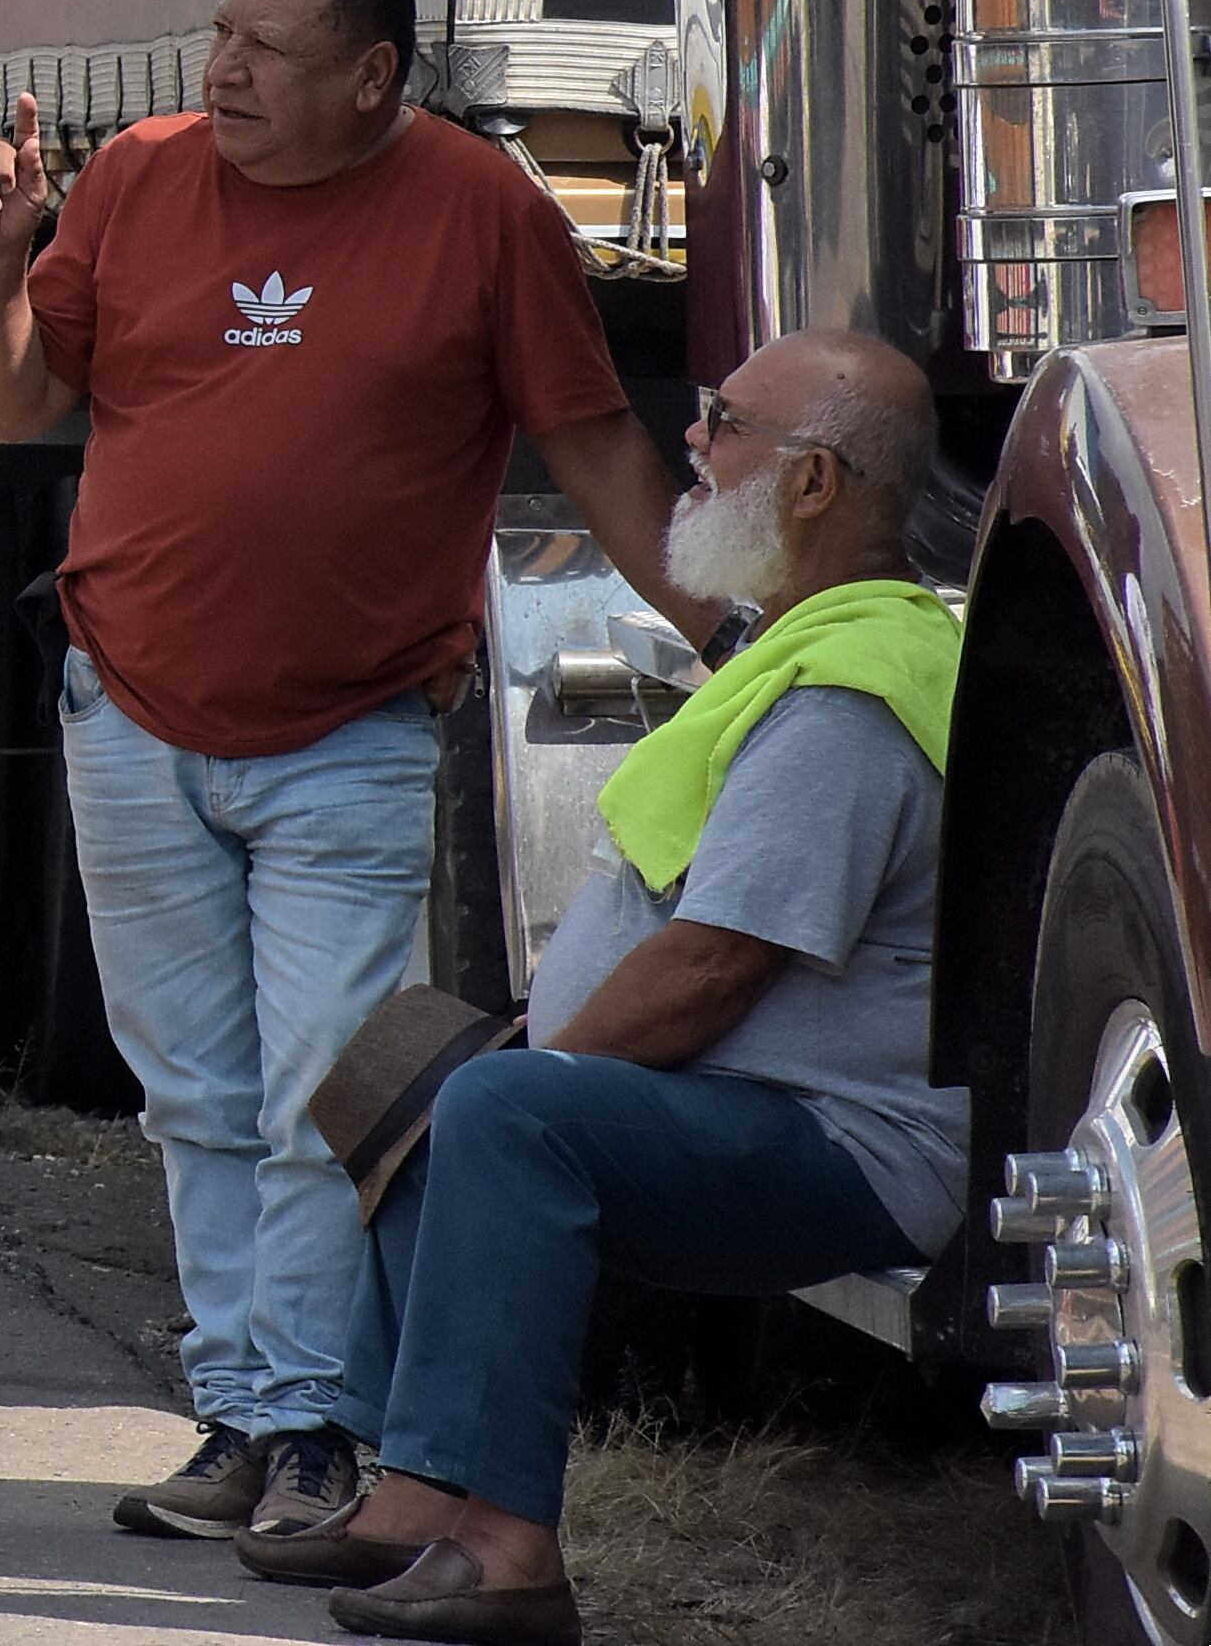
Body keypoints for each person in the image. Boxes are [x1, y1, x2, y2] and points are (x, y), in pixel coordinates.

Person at [0, 0, 708, 1546]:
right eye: (217, 35)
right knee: (190, 1094)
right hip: (127, 709)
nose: (219, 72)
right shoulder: (141, 177)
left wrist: (746, 636)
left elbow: (592, 448)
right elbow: (11, 407)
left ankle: (312, 1434)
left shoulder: (477, 212)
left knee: (319, 1093)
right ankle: (239, 1418)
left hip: (349, 732)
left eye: (263, 51)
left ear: (370, 77)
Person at [239, 331, 962, 1646]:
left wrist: (542, 1068)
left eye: (722, 424)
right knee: (420, 1068)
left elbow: (714, 965)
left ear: (810, 484)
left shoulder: (846, 697)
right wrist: (510, 1063)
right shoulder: (796, 650)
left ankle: (507, 1547)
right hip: (745, 1105)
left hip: (839, 1143)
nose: (689, 443)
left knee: (502, 1112)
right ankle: (408, 1495)